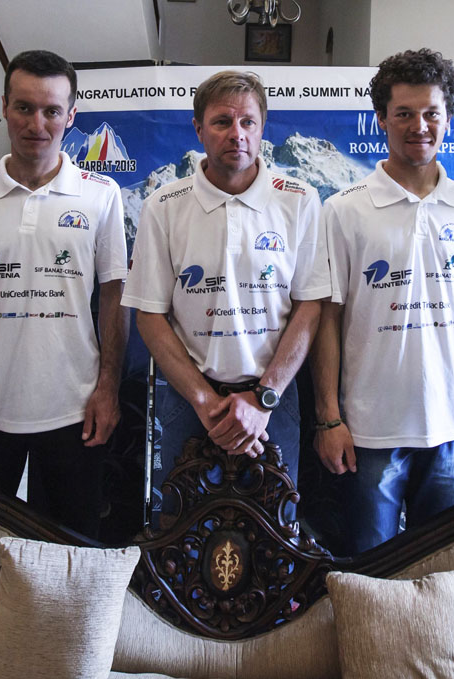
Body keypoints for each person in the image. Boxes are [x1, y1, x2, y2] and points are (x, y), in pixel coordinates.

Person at [311, 48, 454, 555]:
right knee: (369, 569)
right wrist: (329, 419)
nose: (418, 126)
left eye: (431, 113)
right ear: (381, 119)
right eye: (403, 113)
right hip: (370, 429)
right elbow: (326, 320)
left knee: (444, 566)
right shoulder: (343, 210)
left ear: (449, 118)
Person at [0, 50, 127, 538]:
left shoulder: (101, 194)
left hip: (74, 407)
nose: (36, 124)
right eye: (23, 107)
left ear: (72, 115)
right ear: (4, 106)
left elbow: (113, 298)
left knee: (70, 546)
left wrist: (107, 386)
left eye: (51, 111)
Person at [123, 70, 329, 497]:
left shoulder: (300, 200)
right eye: (222, 122)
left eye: (247, 122)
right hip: (186, 401)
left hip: (275, 400)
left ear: (262, 128)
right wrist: (203, 401)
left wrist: (263, 399)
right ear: (198, 129)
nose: (236, 134)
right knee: (182, 536)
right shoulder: (163, 206)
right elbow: (149, 314)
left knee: (277, 536)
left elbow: (310, 307)